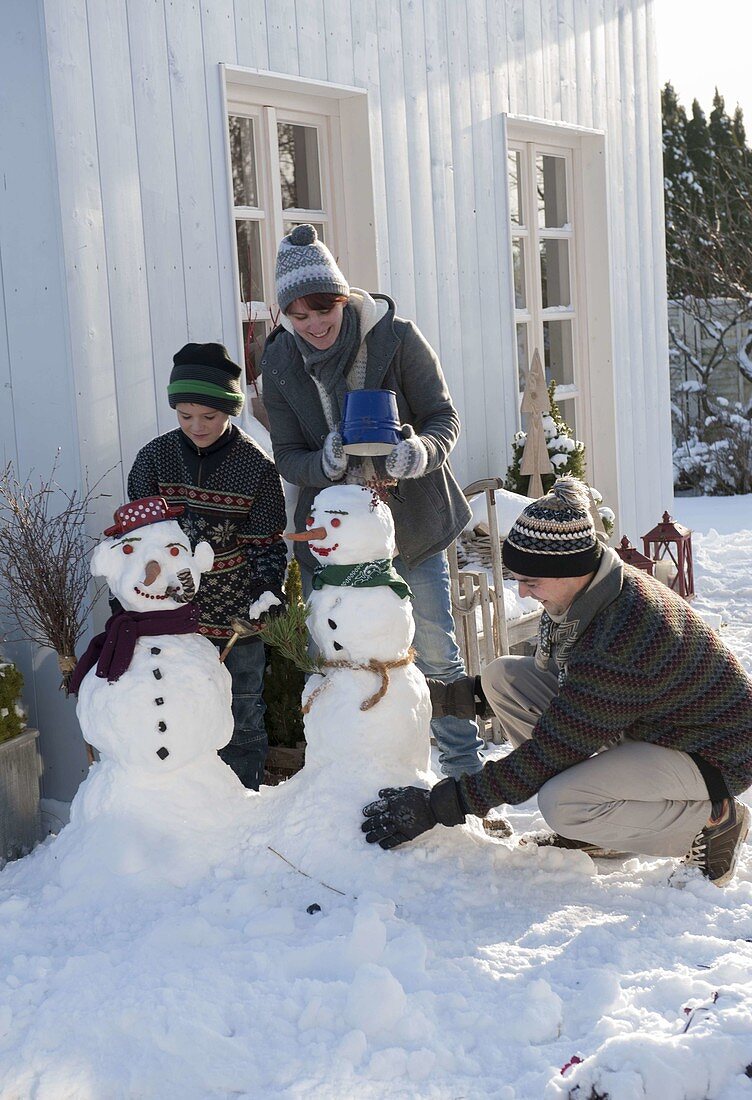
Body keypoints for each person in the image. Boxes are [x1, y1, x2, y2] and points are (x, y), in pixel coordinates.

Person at [362, 477, 752, 888]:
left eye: (532, 582)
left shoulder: (619, 640)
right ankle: (602, 829)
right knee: (503, 677)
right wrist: (435, 699)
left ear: (570, 570)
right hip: (654, 724)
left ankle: (712, 822)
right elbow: (563, 688)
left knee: (562, 803)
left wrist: (438, 805)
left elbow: (549, 752)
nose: (524, 593)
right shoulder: (594, 588)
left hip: (712, 753)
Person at [262, 223, 484, 779]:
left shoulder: (396, 337)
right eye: (299, 314)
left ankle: (462, 775)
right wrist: (327, 462)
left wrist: (418, 452)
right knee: (336, 658)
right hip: (333, 539)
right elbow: (288, 454)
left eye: (322, 309)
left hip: (410, 523)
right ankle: (349, 774)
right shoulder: (281, 363)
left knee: (434, 650)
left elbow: (443, 417)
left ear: (341, 296)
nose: (314, 325)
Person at [127, 342, 287, 789]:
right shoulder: (154, 460)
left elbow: (266, 543)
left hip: (236, 615)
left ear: (230, 411)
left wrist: (267, 590)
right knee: (178, 706)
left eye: (209, 417)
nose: (197, 426)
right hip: (173, 616)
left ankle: (243, 795)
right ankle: (191, 802)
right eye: (185, 415)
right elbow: (138, 543)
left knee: (243, 706)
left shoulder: (255, 467)